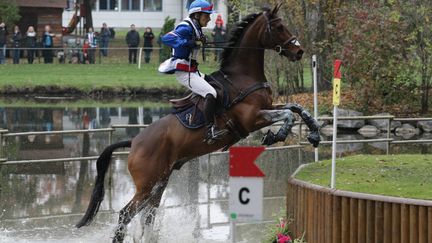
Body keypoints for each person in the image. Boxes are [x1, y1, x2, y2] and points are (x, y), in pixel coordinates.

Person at [159, 0, 222, 144]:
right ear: (197, 15)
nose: (209, 18)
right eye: (207, 15)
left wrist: (198, 40)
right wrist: (188, 42)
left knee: (217, 83)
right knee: (210, 93)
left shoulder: (195, 27)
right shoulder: (186, 27)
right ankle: (209, 130)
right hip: (184, 72)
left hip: (193, 71)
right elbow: (167, 38)